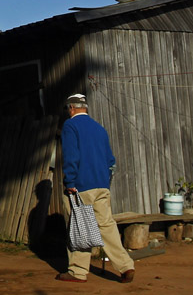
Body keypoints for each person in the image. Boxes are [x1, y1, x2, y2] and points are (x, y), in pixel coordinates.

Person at [56, 93, 135, 284]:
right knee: (106, 225)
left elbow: (71, 157)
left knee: (79, 227)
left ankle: (78, 271)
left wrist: (70, 183)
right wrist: (105, 181)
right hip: (101, 185)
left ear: (71, 108)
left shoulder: (70, 125)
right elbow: (110, 160)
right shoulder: (100, 129)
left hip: (81, 186)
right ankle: (126, 265)